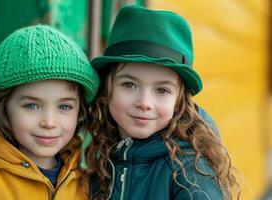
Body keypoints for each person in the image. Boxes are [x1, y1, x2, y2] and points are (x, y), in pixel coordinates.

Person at [86, 4, 239, 200]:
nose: (144, 102)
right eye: (129, 84)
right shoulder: (101, 156)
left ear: (179, 101)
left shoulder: (191, 174)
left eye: (162, 90)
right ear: (107, 88)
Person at [0, 25, 99, 200]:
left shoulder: (86, 185)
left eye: (64, 107)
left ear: (80, 111)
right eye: (32, 106)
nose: (49, 122)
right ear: (2, 107)